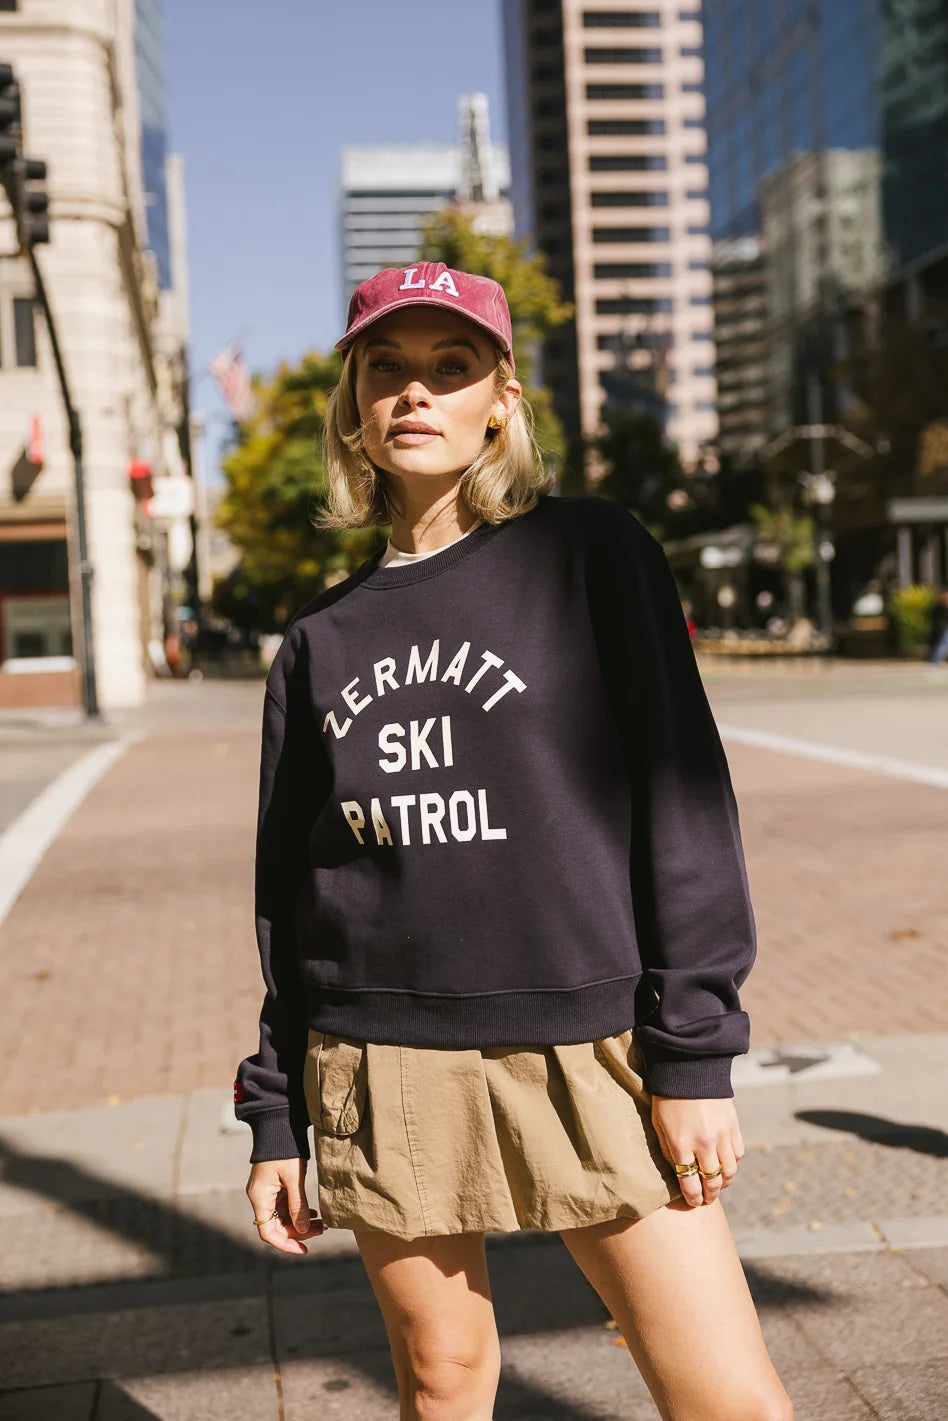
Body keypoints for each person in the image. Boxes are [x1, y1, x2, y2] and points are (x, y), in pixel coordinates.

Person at [234, 262, 792, 1421]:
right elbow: (294, 900)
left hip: (588, 1043)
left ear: (502, 398)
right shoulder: (319, 639)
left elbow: (683, 801)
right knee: (443, 1380)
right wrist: (277, 1109)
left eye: (451, 367)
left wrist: (693, 1052)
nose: (414, 394)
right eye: (385, 370)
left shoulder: (590, 555)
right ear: (353, 407)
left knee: (725, 1393)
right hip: (379, 1052)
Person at [928, 589, 948, 666]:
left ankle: (935, 661)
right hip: (943, 629)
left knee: (943, 645)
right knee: (942, 645)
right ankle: (934, 662)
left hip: (945, 629)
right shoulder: (938, 608)